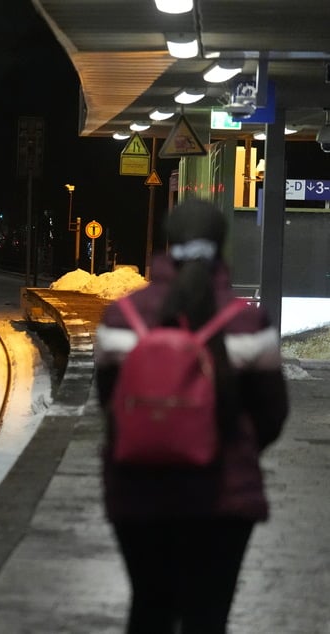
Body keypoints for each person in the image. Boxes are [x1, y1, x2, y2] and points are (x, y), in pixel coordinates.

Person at [93, 199, 288, 634]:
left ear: (169, 243)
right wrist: (228, 444)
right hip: (223, 497)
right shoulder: (248, 322)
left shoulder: (120, 317)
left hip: (137, 493)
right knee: (208, 616)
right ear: (221, 247)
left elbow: (110, 402)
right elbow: (273, 414)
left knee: (149, 607)